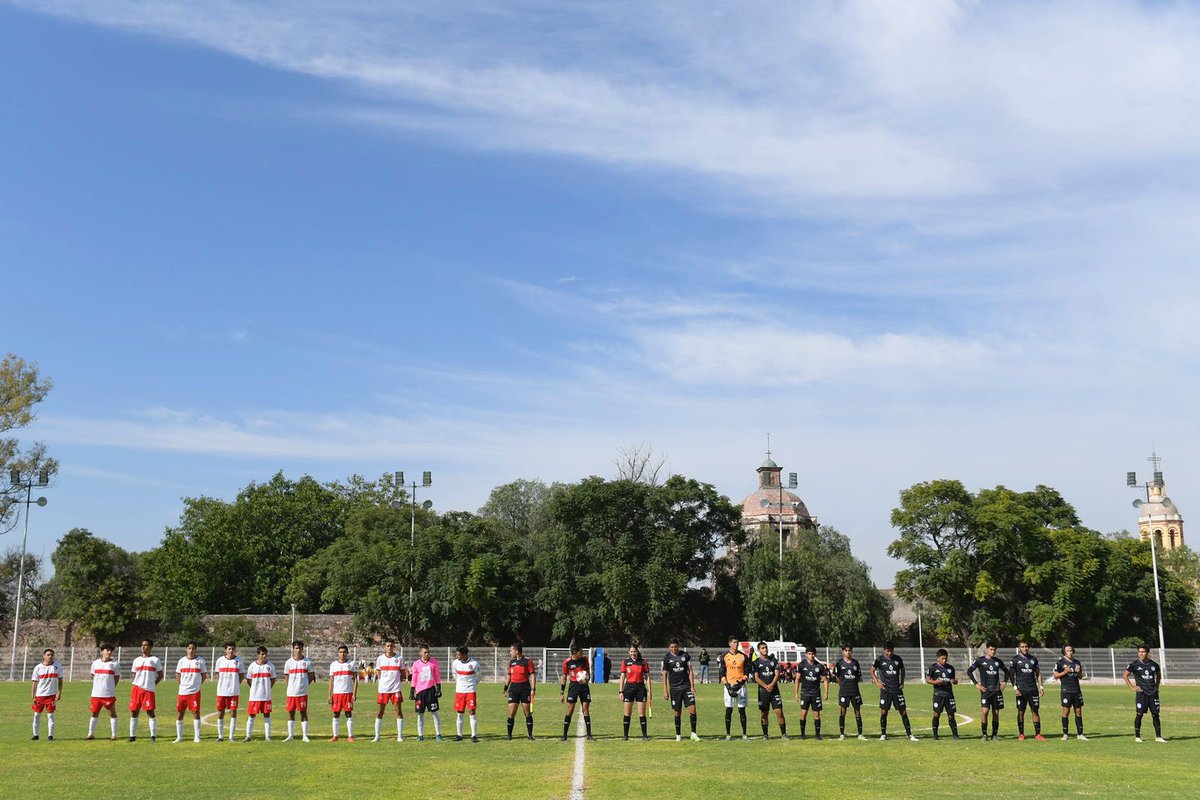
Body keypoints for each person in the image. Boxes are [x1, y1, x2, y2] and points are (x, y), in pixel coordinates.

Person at [871, 642, 916, 741]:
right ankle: (883, 734)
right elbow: (872, 670)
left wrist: (902, 682)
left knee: (903, 711)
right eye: (887, 651)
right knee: (884, 712)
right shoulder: (879, 659)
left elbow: (903, 670)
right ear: (884, 650)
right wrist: (877, 682)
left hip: (897, 690)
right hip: (885, 690)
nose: (889, 653)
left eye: (891, 651)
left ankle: (909, 734)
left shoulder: (897, 659)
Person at [967, 643, 1010, 741]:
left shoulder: (998, 661)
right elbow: (969, 671)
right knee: (985, 712)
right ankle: (984, 734)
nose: (993, 651)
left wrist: (1004, 683)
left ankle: (994, 735)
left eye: (994, 650)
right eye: (991, 649)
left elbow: (1007, 672)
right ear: (987, 649)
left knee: (996, 713)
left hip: (996, 691)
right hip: (985, 691)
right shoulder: (980, 661)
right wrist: (977, 684)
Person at [1123, 644, 1165, 743]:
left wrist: (1157, 687)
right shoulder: (1134, 664)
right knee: (1139, 714)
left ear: (1147, 652)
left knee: (1155, 714)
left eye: (1143, 652)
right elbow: (1125, 675)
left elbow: (1159, 676)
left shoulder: (1154, 665)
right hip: (1141, 694)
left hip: (1153, 693)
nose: (1141, 654)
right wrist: (1132, 687)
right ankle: (1137, 737)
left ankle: (1158, 737)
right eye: (1139, 652)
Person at [662, 638, 700, 741]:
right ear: (669, 647)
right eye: (672, 647)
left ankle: (693, 733)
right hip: (674, 688)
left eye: (676, 647)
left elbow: (690, 671)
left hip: (686, 686)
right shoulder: (666, 658)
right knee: (677, 712)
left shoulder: (685, 655)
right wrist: (665, 690)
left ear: (678, 646)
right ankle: (678, 735)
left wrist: (692, 686)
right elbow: (665, 675)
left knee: (692, 708)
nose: (674, 649)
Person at [128, 639, 164, 742]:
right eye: (141, 645)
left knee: (150, 712)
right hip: (136, 689)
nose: (142, 647)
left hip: (148, 689)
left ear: (150, 647)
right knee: (134, 711)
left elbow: (160, 674)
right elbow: (135, 674)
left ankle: (153, 736)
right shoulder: (136, 660)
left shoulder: (155, 660)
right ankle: (132, 736)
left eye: (145, 645)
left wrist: (153, 684)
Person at [173, 641, 208, 743]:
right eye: (189, 648)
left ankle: (197, 737)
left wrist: (197, 685)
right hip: (183, 691)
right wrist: (182, 684)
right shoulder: (181, 661)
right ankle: (179, 737)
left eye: (193, 648)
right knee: (180, 713)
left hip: (194, 692)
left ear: (195, 649)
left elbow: (204, 675)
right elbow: (178, 674)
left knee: (196, 713)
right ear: (186, 649)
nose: (191, 650)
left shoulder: (200, 661)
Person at [1010, 641, 1045, 741]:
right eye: (1023, 647)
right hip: (1021, 690)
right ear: (1019, 648)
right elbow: (1012, 675)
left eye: (1026, 646)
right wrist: (1015, 688)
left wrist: (1041, 687)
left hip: (1033, 689)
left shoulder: (1033, 659)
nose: (1025, 648)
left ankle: (1038, 734)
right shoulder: (1015, 660)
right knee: (1021, 711)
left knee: (1035, 711)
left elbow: (1038, 674)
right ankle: (1021, 734)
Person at [373, 638, 408, 742]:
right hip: (383, 689)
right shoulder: (380, 659)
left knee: (398, 711)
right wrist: (383, 682)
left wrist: (396, 682)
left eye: (391, 646)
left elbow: (402, 673)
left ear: (394, 647)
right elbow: (378, 672)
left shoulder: (399, 658)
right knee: (380, 712)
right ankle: (377, 736)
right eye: (387, 646)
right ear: (385, 647)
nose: (389, 648)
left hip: (395, 689)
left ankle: (400, 736)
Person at [751, 641, 787, 739]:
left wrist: (771, 685)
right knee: (764, 713)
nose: (765, 649)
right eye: (763, 648)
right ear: (759, 650)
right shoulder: (756, 663)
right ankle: (765, 735)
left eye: (766, 647)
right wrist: (766, 686)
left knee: (779, 712)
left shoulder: (773, 660)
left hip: (774, 690)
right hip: (763, 692)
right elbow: (756, 678)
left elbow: (777, 674)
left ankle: (784, 734)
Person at [283, 639, 316, 742]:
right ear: (293, 649)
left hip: (302, 692)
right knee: (291, 713)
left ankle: (305, 735)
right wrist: (291, 686)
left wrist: (304, 685)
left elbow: (311, 676)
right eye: (296, 648)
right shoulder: (289, 662)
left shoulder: (308, 662)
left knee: (303, 712)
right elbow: (286, 677)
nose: (298, 650)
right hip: (291, 693)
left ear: (302, 649)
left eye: (300, 648)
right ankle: (290, 735)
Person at [560, 644, 594, 741]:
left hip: (584, 687)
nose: (582, 653)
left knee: (586, 709)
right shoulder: (567, 663)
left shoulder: (584, 660)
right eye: (581, 651)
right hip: (573, 686)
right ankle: (564, 735)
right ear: (575, 652)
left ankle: (589, 735)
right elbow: (564, 677)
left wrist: (587, 679)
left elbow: (588, 673)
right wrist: (562, 692)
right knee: (570, 709)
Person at [718, 636, 750, 740]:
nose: (736, 644)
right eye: (734, 642)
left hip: (740, 687)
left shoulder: (743, 656)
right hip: (729, 686)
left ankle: (744, 734)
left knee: (742, 710)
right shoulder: (725, 656)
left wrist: (741, 683)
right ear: (729, 644)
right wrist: (727, 686)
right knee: (729, 710)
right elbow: (722, 673)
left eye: (737, 642)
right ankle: (728, 734)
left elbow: (747, 672)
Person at [1053, 645, 1087, 741]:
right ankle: (1065, 734)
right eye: (1068, 650)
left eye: (1071, 650)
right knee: (1066, 712)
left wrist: (1079, 672)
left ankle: (1080, 734)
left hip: (1076, 690)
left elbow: (1080, 676)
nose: (1070, 652)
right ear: (1064, 652)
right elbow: (1055, 676)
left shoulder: (1077, 662)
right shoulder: (1060, 663)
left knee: (1078, 711)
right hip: (1066, 690)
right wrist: (1065, 672)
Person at [87, 643, 120, 740]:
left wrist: (110, 688)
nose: (109, 652)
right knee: (94, 713)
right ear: (102, 651)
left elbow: (116, 678)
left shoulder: (115, 664)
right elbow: (93, 676)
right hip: (96, 694)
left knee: (112, 713)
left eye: (111, 650)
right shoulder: (95, 663)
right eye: (107, 650)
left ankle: (114, 735)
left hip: (108, 694)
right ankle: (91, 734)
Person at [832, 645, 866, 740]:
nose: (848, 652)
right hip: (844, 691)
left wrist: (853, 683)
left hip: (854, 690)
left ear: (852, 651)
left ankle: (860, 734)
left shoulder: (855, 663)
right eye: (846, 650)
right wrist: (842, 685)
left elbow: (858, 676)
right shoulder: (839, 663)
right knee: (843, 712)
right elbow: (837, 676)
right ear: (843, 651)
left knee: (857, 711)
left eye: (849, 650)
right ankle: (842, 734)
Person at [925, 649, 960, 740]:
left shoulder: (950, 668)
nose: (944, 660)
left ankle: (955, 735)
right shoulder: (932, 668)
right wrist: (936, 682)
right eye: (942, 658)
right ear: (938, 658)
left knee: (951, 715)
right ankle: (935, 735)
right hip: (938, 694)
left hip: (949, 694)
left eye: (946, 658)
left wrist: (954, 681)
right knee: (936, 714)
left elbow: (954, 680)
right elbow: (928, 680)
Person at [794, 647, 829, 739]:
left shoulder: (820, 666)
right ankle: (802, 734)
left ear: (815, 654)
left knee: (816, 714)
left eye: (813, 654)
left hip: (816, 694)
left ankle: (817, 735)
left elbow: (825, 680)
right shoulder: (801, 665)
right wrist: (796, 694)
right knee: (803, 713)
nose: (811, 655)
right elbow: (797, 679)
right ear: (806, 654)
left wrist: (826, 693)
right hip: (805, 693)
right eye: (809, 653)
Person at [410, 644, 443, 741]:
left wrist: (438, 688)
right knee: (420, 714)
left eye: (428, 652)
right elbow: (414, 678)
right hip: (420, 692)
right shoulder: (416, 664)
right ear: (420, 653)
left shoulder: (434, 662)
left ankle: (438, 734)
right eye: (425, 652)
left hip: (431, 691)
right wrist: (412, 691)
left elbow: (437, 676)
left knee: (435, 713)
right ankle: (420, 735)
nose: (427, 654)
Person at [213, 641, 244, 742]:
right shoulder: (220, 660)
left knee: (233, 712)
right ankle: (220, 736)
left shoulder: (239, 660)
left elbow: (241, 675)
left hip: (233, 692)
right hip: (222, 691)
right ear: (225, 650)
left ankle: (231, 736)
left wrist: (235, 684)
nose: (231, 651)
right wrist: (224, 683)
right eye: (229, 649)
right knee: (220, 713)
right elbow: (217, 674)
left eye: (233, 649)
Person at [618, 644, 651, 740]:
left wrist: (649, 691)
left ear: (637, 652)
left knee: (642, 713)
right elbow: (622, 677)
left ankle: (644, 735)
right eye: (631, 651)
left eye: (634, 651)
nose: (633, 653)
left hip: (640, 688)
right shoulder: (625, 662)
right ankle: (625, 735)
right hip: (629, 688)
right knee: (627, 713)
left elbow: (647, 677)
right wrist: (621, 691)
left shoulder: (643, 662)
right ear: (629, 652)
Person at [243, 646, 277, 741]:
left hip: (266, 696)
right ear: (258, 654)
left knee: (267, 715)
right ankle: (248, 735)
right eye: (262, 654)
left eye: (265, 654)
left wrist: (267, 688)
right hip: (254, 696)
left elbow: (273, 679)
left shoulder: (270, 666)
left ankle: (268, 736)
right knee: (251, 715)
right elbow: (249, 680)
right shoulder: (252, 666)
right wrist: (255, 689)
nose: (264, 656)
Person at [504, 643, 536, 740]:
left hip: (525, 689)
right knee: (511, 712)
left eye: (511, 650)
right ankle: (509, 735)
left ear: (517, 651)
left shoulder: (527, 661)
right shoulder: (511, 662)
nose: (510, 652)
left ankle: (530, 735)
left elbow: (532, 675)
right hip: (513, 689)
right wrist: (505, 688)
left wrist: (533, 689)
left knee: (527, 713)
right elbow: (509, 675)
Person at [30, 648, 62, 741]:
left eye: (52, 655)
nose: (50, 656)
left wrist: (59, 692)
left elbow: (60, 680)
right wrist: (33, 695)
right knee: (36, 715)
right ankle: (35, 735)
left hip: (51, 695)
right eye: (48, 655)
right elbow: (34, 682)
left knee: (51, 715)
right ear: (44, 656)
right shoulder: (38, 667)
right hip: (40, 695)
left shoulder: (57, 666)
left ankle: (50, 735)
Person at [328, 644, 358, 741]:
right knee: (336, 714)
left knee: (348, 713)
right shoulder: (333, 665)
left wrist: (354, 694)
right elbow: (331, 681)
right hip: (337, 694)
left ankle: (350, 736)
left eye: (344, 652)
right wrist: (330, 695)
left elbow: (355, 680)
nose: (342, 654)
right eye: (340, 652)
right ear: (338, 653)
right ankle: (335, 736)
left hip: (348, 693)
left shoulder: (352, 664)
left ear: (347, 653)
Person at [451, 645, 481, 742]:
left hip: (470, 691)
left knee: (472, 712)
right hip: (459, 691)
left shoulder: (474, 664)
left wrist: (472, 684)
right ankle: (459, 735)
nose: (457, 656)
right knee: (459, 713)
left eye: (459, 654)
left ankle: (474, 735)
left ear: (464, 654)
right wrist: (460, 683)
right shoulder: (455, 663)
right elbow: (454, 674)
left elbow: (478, 676)